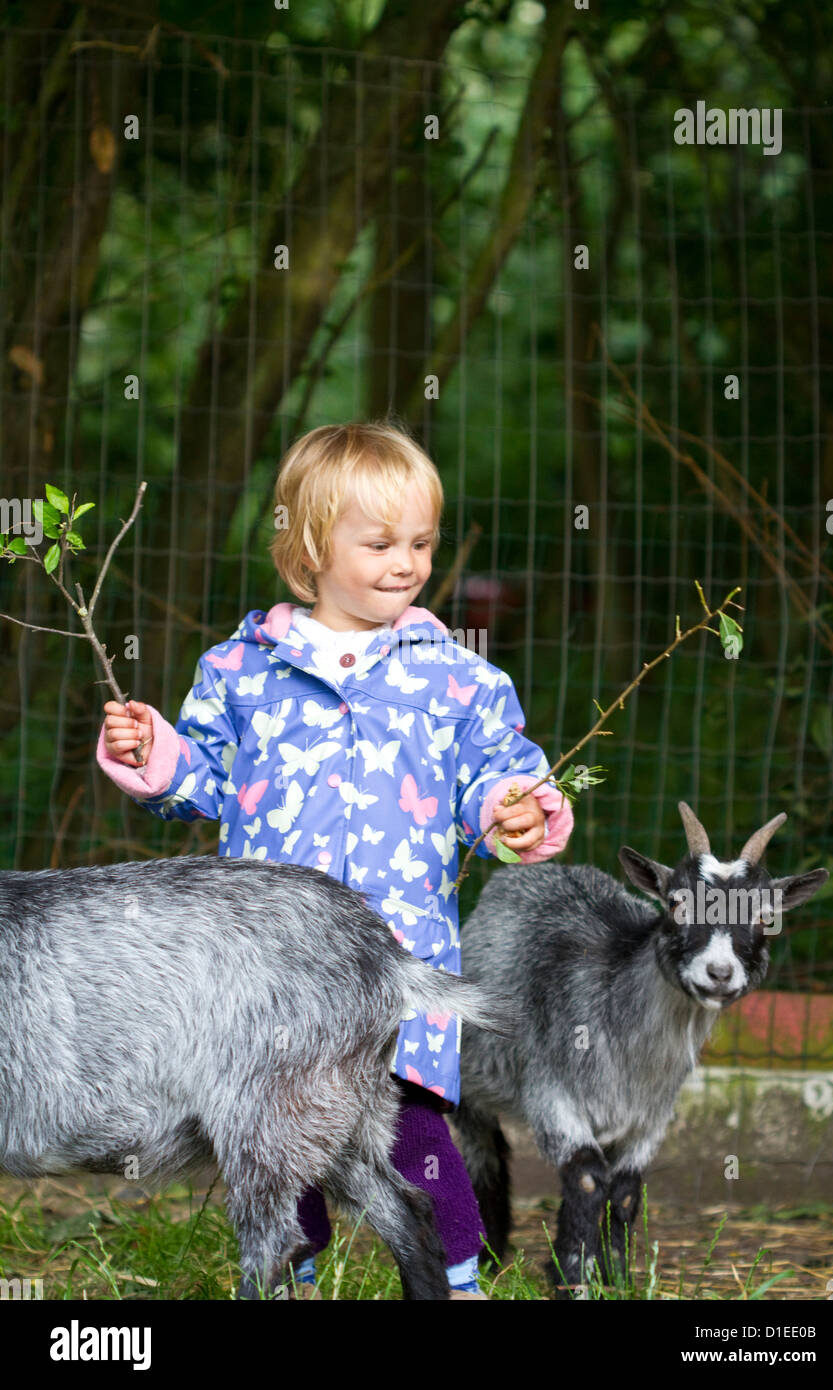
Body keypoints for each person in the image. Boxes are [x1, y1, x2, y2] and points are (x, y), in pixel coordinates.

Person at [97, 420, 573, 1298]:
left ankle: (455, 1281)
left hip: (402, 960)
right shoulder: (240, 670)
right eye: (382, 542)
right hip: (272, 967)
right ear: (312, 546)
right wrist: (150, 755)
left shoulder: (455, 676)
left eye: (422, 542)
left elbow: (496, 780)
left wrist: (515, 809)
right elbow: (203, 784)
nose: (409, 562)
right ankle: (292, 1277)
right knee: (282, 1141)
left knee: (419, 1136)